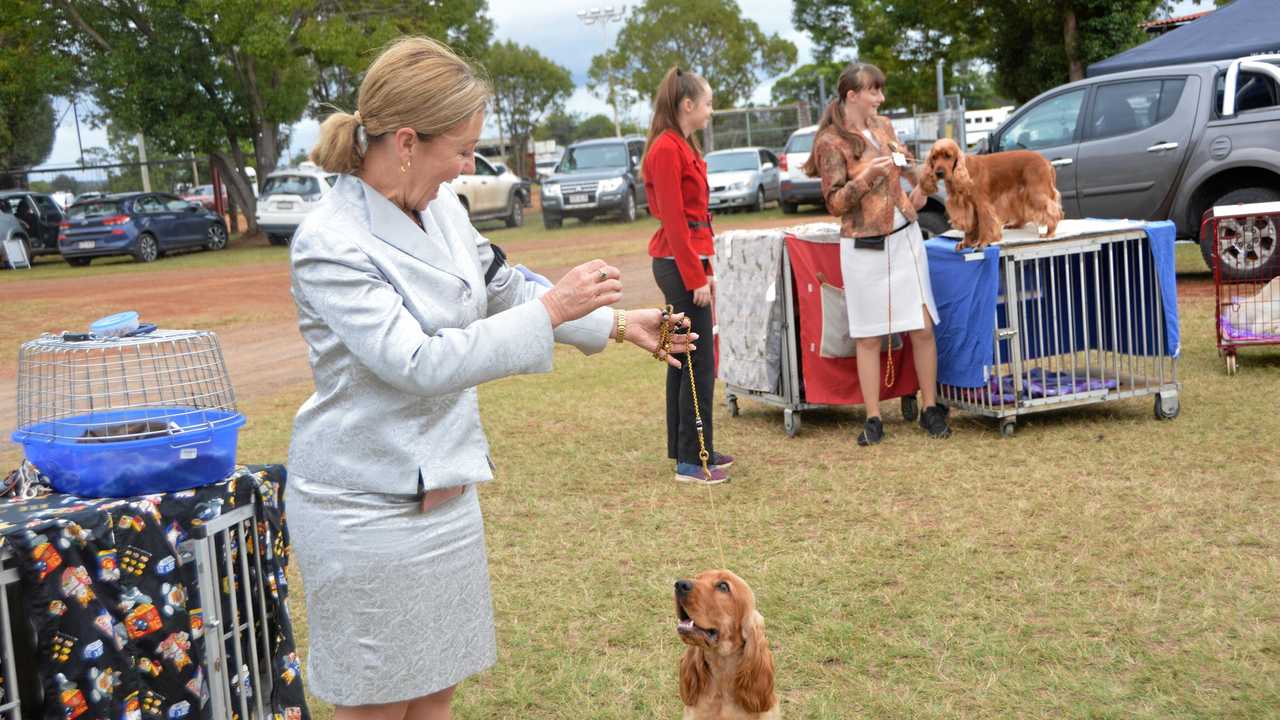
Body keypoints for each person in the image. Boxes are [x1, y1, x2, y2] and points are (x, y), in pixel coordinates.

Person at [287, 37, 696, 720]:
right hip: (364, 511)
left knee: (436, 691)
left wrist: (617, 325)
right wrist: (552, 307)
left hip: (446, 498)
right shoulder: (330, 243)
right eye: (461, 147)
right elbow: (416, 362)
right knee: (380, 706)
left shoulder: (444, 208)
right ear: (408, 141)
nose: (467, 165)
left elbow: (502, 286)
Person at [802, 62, 952, 445]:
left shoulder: (885, 127)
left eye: (880, 92)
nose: (880, 99)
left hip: (906, 237)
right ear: (852, 95)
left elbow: (908, 170)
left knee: (922, 326)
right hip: (863, 246)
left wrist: (925, 183)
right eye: (874, 91)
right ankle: (872, 418)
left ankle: (930, 407)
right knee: (868, 337)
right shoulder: (830, 143)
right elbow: (835, 203)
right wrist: (866, 177)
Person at [643, 67, 734, 485]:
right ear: (687, 105)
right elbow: (676, 222)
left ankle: (692, 450)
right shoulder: (666, 148)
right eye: (709, 102)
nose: (711, 109)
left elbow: (698, 222)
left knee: (681, 356)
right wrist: (695, 275)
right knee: (697, 360)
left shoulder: (682, 145)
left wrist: (706, 270)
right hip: (677, 265)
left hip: (687, 263)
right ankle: (692, 459)